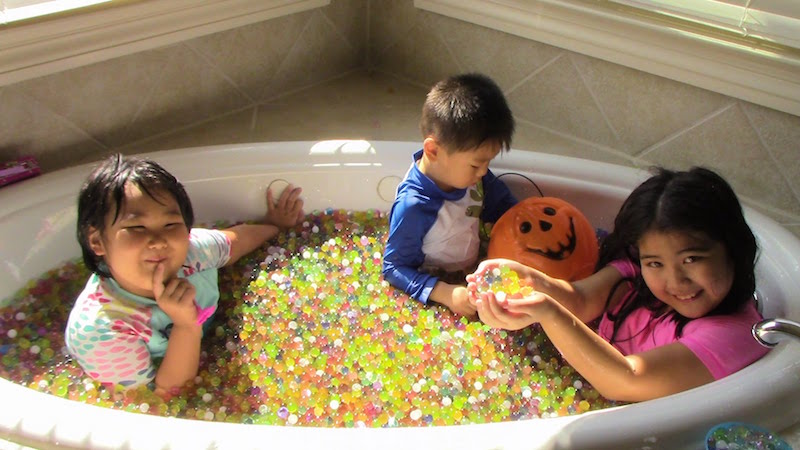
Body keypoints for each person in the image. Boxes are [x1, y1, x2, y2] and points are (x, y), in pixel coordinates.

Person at [467, 167, 769, 401]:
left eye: (692, 259)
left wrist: (548, 312)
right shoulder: (637, 274)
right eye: (655, 263)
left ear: (732, 248)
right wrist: (531, 279)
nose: (676, 281)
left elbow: (626, 381)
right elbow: (581, 300)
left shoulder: (735, 335)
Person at [65, 154, 304, 392]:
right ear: (97, 242)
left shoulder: (192, 251)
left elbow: (237, 242)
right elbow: (163, 397)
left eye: (171, 225)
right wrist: (186, 325)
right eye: (137, 227)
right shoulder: (100, 330)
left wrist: (274, 225)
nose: (159, 241)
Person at [382, 73, 517, 317]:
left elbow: (506, 208)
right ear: (433, 150)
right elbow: (394, 267)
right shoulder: (414, 206)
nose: (485, 172)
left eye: (488, 162)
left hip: (473, 271)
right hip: (435, 285)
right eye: (476, 165)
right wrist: (445, 293)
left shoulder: (472, 175)